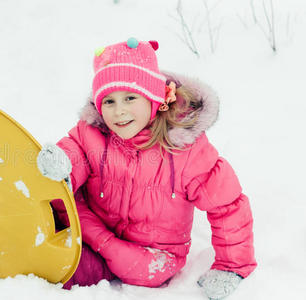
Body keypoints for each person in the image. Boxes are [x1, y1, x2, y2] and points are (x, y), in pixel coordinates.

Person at [37, 38, 257, 299]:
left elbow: (227, 205)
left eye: (130, 98)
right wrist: (62, 165)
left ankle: (67, 262)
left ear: (154, 98)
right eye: (109, 101)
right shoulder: (93, 132)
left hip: (148, 255)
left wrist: (231, 267)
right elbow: (74, 152)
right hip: (92, 225)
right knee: (50, 216)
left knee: (78, 268)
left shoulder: (185, 150)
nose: (119, 112)